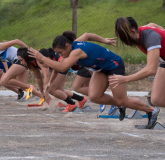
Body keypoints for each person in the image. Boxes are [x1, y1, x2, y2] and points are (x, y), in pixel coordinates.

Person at [28, 31, 158, 129]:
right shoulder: (71, 48)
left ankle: (151, 110)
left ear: (67, 46)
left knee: (122, 99)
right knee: (95, 96)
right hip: (100, 70)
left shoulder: (76, 51)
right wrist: (50, 83)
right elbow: (86, 36)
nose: (61, 55)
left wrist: (42, 58)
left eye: (61, 52)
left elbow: (62, 66)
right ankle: (120, 104)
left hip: (114, 65)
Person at [109, 17, 164, 123]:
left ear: (133, 31)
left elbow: (151, 69)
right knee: (157, 99)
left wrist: (125, 79)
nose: (129, 44)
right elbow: (153, 24)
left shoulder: (151, 38)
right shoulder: (141, 31)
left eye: (127, 40)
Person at [17, 47, 87, 111]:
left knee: (52, 90)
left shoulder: (39, 59)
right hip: (59, 68)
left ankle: (71, 104)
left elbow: (46, 75)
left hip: (65, 66)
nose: (21, 63)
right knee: (59, 91)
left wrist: (46, 92)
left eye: (21, 60)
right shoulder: (32, 63)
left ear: (27, 58)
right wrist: (42, 93)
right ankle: (81, 99)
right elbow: (40, 77)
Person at [0, 38, 45, 102]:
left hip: (20, 60)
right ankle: (43, 98)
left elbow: (16, 41)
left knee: (5, 80)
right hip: (16, 62)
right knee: (22, 86)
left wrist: (29, 50)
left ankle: (31, 89)